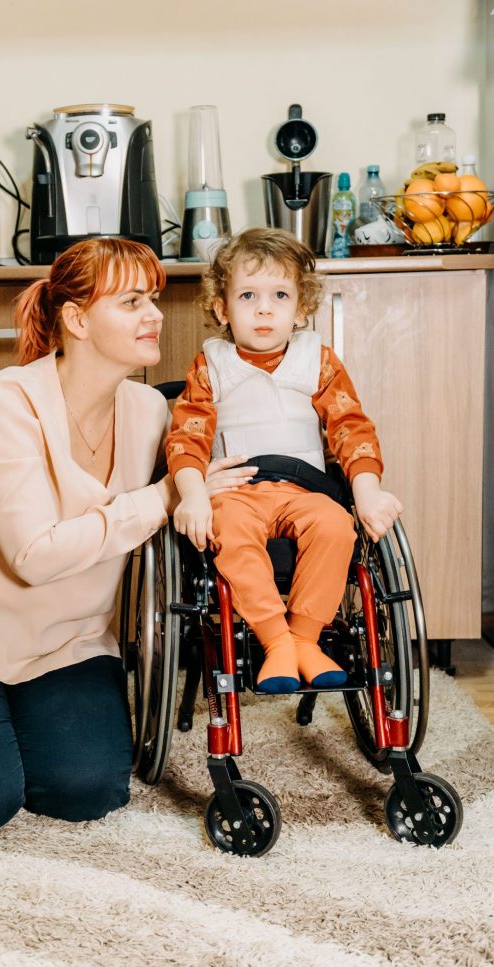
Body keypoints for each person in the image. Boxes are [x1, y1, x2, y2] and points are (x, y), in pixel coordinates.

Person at [0, 237, 255, 840]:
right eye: (131, 302)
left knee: (86, 791)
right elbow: (33, 557)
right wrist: (160, 499)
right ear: (76, 319)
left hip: (70, 642)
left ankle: (9, 719)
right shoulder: (7, 399)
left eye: (153, 299)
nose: (154, 315)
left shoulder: (150, 411)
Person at [166, 227, 403, 694]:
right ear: (222, 309)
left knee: (337, 527)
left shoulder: (318, 361)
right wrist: (191, 495)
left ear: (301, 309)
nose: (264, 309)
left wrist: (368, 492)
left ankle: (304, 640)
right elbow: (187, 437)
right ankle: (276, 641)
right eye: (247, 296)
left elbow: (350, 428)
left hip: (305, 490)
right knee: (228, 528)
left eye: (280, 295)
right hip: (238, 492)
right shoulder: (210, 366)